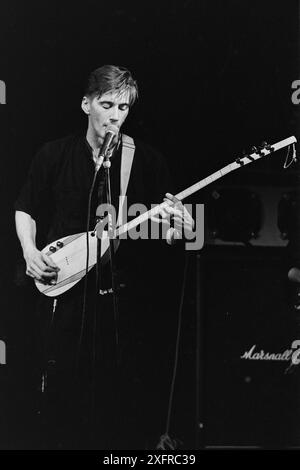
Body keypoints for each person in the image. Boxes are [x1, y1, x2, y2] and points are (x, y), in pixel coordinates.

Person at [14, 65, 194, 449]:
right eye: (107, 104)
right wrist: (30, 252)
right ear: (86, 104)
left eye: (124, 108)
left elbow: (168, 235)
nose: (115, 115)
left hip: (121, 300)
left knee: (117, 400)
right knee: (60, 395)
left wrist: (179, 226)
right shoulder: (54, 154)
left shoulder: (145, 160)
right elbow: (26, 207)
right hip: (64, 293)